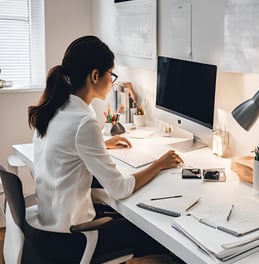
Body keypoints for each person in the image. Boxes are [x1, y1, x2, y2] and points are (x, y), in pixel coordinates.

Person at [27, 35, 184, 263]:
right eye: (111, 73)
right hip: (71, 241)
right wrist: (159, 164)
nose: (112, 81)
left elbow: (69, 150)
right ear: (94, 75)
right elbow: (119, 188)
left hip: (48, 229)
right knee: (163, 238)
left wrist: (101, 145)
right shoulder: (84, 121)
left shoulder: (55, 107)